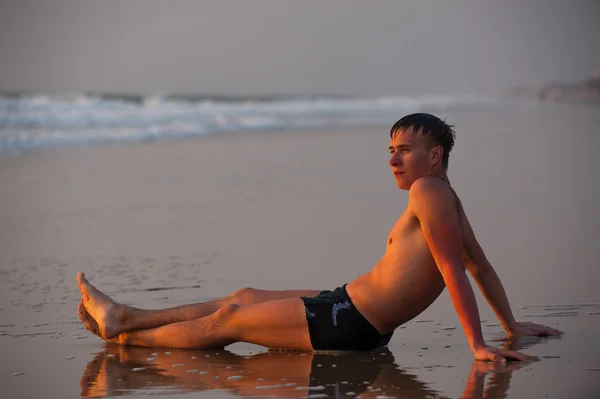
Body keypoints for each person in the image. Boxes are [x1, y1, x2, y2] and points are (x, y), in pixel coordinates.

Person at [76, 113, 562, 362]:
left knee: (229, 320)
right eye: (390, 150)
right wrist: (512, 323)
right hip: (347, 307)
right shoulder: (445, 198)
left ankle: (129, 337)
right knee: (243, 297)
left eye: (405, 150)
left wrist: (478, 343)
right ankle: (126, 319)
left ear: (434, 156)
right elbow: (480, 265)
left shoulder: (431, 191)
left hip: (349, 323)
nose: (393, 160)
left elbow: (459, 270)